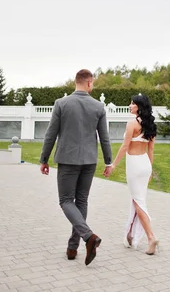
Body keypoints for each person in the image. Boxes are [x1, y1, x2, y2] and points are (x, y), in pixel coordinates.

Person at [40, 69, 113, 266]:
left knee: (65, 201)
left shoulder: (61, 104)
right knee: (81, 202)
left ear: (77, 82)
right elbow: (104, 137)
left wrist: (44, 159)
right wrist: (108, 161)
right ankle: (73, 248)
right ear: (89, 83)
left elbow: (51, 134)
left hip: (67, 159)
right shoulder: (98, 106)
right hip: (89, 160)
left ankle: (88, 237)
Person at [103, 94, 159, 255]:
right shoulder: (151, 125)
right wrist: (150, 170)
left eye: (132, 103)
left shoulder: (132, 124)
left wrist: (113, 165)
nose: (129, 105)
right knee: (138, 200)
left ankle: (151, 237)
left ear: (139, 107)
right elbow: (151, 150)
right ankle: (131, 235)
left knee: (138, 201)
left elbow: (125, 147)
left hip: (134, 165)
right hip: (145, 164)